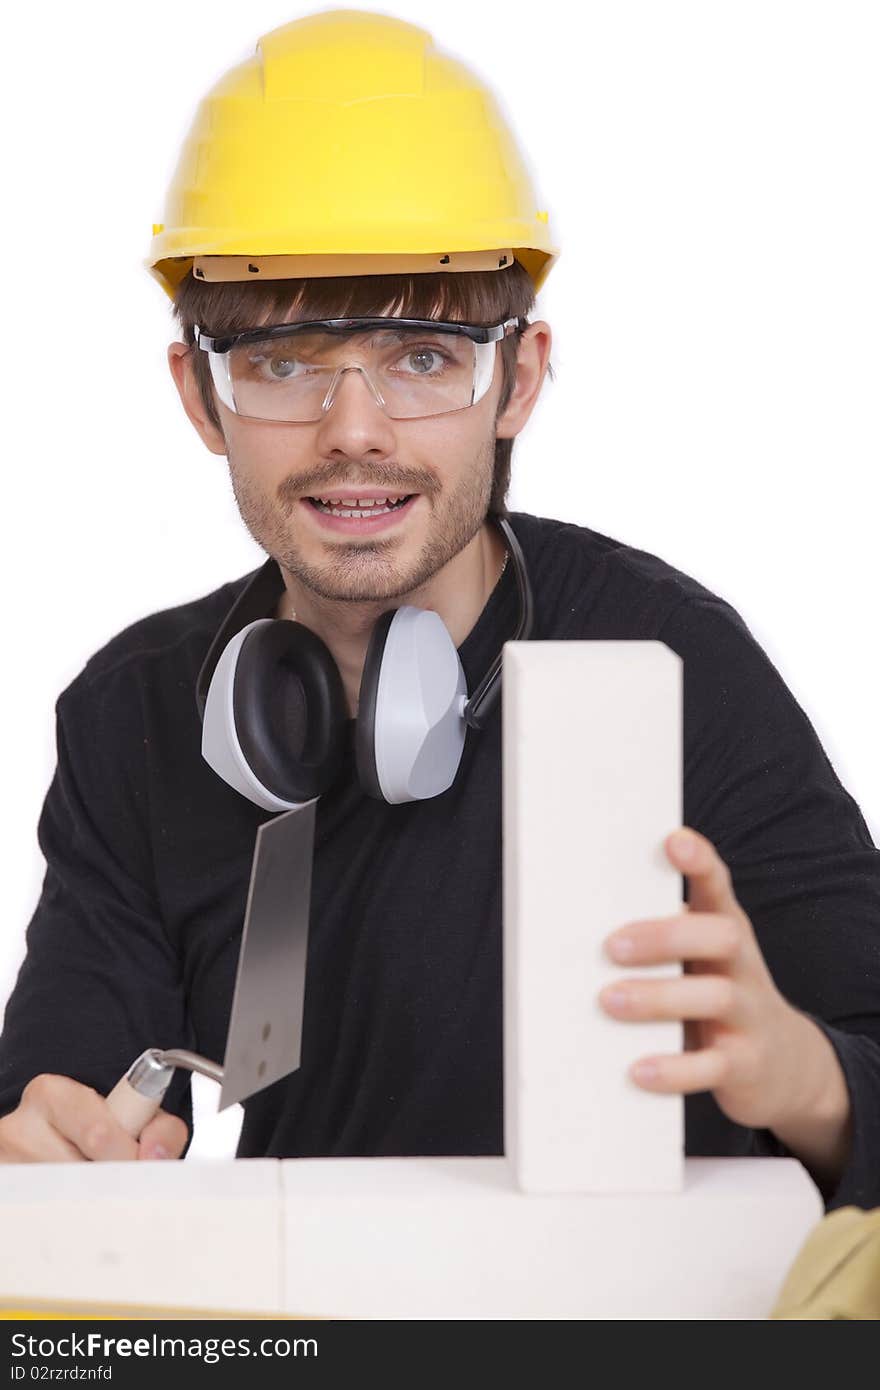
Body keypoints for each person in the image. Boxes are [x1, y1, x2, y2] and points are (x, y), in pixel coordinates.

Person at [0, 9, 878, 1214]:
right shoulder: (133, 715)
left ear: (515, 380)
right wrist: (43, 1152)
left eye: (423, 355)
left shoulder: (669, 662)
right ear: (201, 401)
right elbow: (51, 1102)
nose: (353, 429)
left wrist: (807, 1080)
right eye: (282, 360)